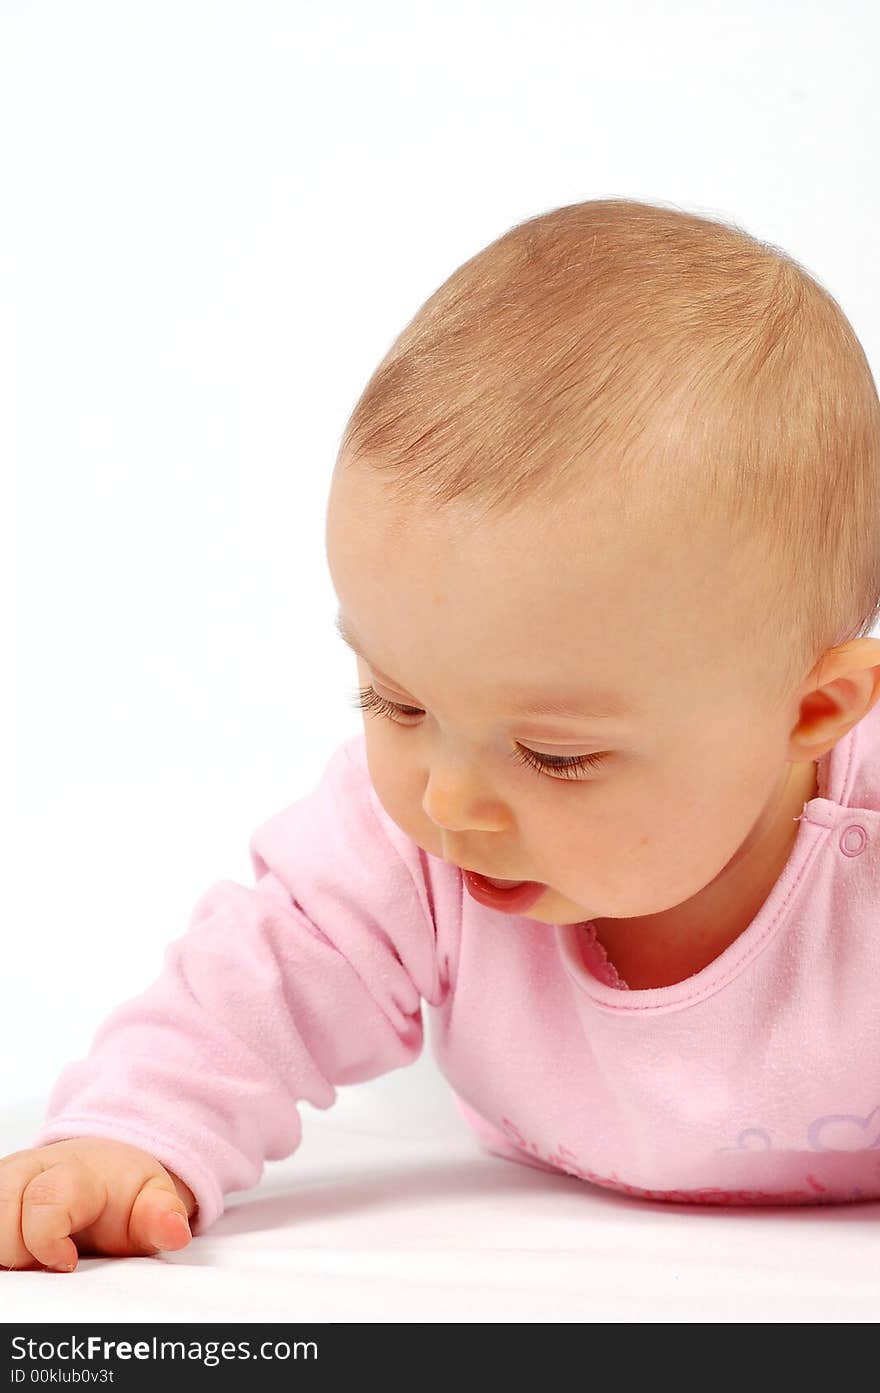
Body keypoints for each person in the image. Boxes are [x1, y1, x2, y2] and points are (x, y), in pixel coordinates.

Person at [4, 197, 880, 1275]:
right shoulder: (408, 839)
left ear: (810, 713)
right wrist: (126, 1133)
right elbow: (263, 975)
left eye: (556, 754)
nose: (448, 803)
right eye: (396, 702)